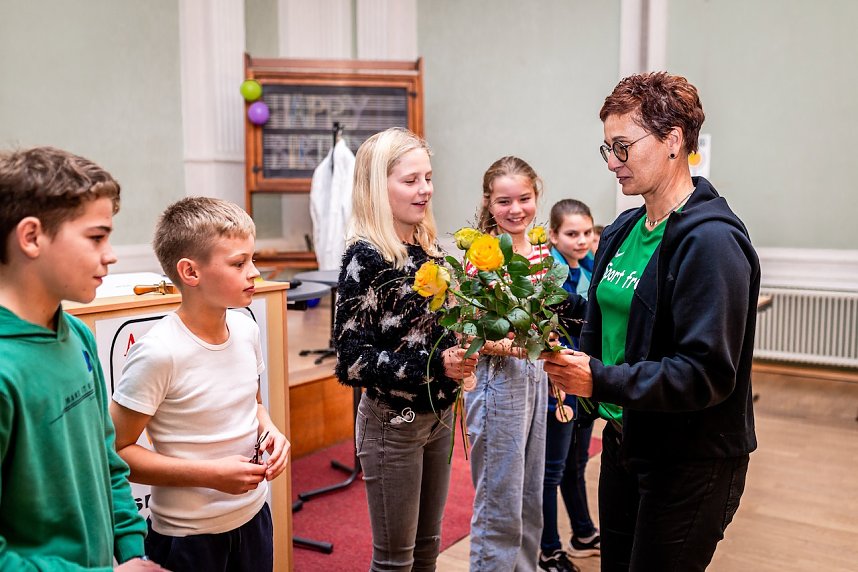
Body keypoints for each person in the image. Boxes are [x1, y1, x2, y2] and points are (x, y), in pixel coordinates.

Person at [543, 71, 760, 571]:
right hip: (626, 442)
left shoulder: (711, 242)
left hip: (690, 460)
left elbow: (705, 373)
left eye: (623, 146)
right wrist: (534, 317)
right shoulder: (625, 228)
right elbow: (619, 317)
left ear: (673, 141)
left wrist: (597, 378)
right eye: (607, 149)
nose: (613, 163)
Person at [0, 147, 164, 570]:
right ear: (32, 237)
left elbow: (107, 458)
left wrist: (131, 549)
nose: (110, 254)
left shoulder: (76, 334)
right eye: (97, 237)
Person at [111, 197, 289, 572]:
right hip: (188, 538)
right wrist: (210, 475)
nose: (254, 272)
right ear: (190, 272)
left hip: (254, 517)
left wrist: (270, 428)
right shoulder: (159, 352)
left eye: (251, 259)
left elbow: (253, 405)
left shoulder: (245, 328)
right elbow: (117, 451)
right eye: (239, 263)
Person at [333, 127, 479, 571]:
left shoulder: (427, 248)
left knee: (427, 548)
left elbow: (429, 331)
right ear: (379, 186)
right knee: (395, 561)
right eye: (410, 180)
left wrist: (464, 340)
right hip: (393, 424)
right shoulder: (367, 257)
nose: (425, 190)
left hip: (436, 417)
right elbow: (351, 359)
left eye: (428, 178)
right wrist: (437, 364)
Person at [465, 156, 582, 572]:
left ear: (537, 196)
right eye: (504, 201)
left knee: (531, 497)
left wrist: (551, 356)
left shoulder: (543, 254)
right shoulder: (480, 256)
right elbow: (470, 333)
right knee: (500, 503)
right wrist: (527, 348)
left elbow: (546, 323)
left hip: (535, 379)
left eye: (525, 198)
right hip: (496, 382)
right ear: (488, 203)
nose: (516, 209)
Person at [538, 199, 600, 572]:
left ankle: (583, 533)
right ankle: (548, 548)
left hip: (589, 376)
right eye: (571, 234)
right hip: (561, 383)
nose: (581, 240)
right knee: (553, 469)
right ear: (553, 236)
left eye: (587, 233)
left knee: (577, 462)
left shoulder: (590, 265)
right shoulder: (551, 276)